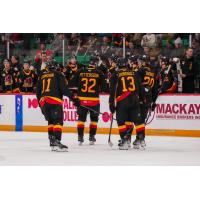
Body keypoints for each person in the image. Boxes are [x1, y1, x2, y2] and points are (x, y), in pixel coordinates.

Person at [36, 61, 80, 152]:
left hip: (43, 101)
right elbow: (64, 89)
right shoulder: (58, 74)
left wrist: (40, 105)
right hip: (54, 100)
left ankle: (52, 142)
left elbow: (37, 92)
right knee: (58, 121)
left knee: (50, 121)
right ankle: (57, 141)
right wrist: (74, 98)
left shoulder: (42, 76)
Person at [70, 56, 109, 145]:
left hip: (82, 100)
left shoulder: (80, 71)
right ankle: (92, 137)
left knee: (81, 119)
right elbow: (105, 89)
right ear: (95, 63)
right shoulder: (99, 73)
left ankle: (80, 137)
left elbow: (71, 84)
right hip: (94, 101)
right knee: (94, 119)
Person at [109, 57, 146, 150]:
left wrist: (111, 104)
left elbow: (112, 91)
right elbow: (141, 88)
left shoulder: (115, 75)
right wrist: (142, 100)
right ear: (126, 64)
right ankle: (141, 139)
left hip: (122, 101)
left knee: (121, 121)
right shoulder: (135, 73)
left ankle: (124, 141)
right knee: (138, 120)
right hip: (134, 100)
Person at [131, 55, 158, 149]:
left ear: (143, 62)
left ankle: (141, 138)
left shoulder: (140, 71)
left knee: (138, 120)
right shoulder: (152, 73)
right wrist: (153, 102)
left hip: (141, 98)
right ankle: (139, 139)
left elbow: (137, 85)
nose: (137, 63)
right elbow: (155, 90)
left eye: (139, 61)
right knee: (142, 120)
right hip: (149, 99)